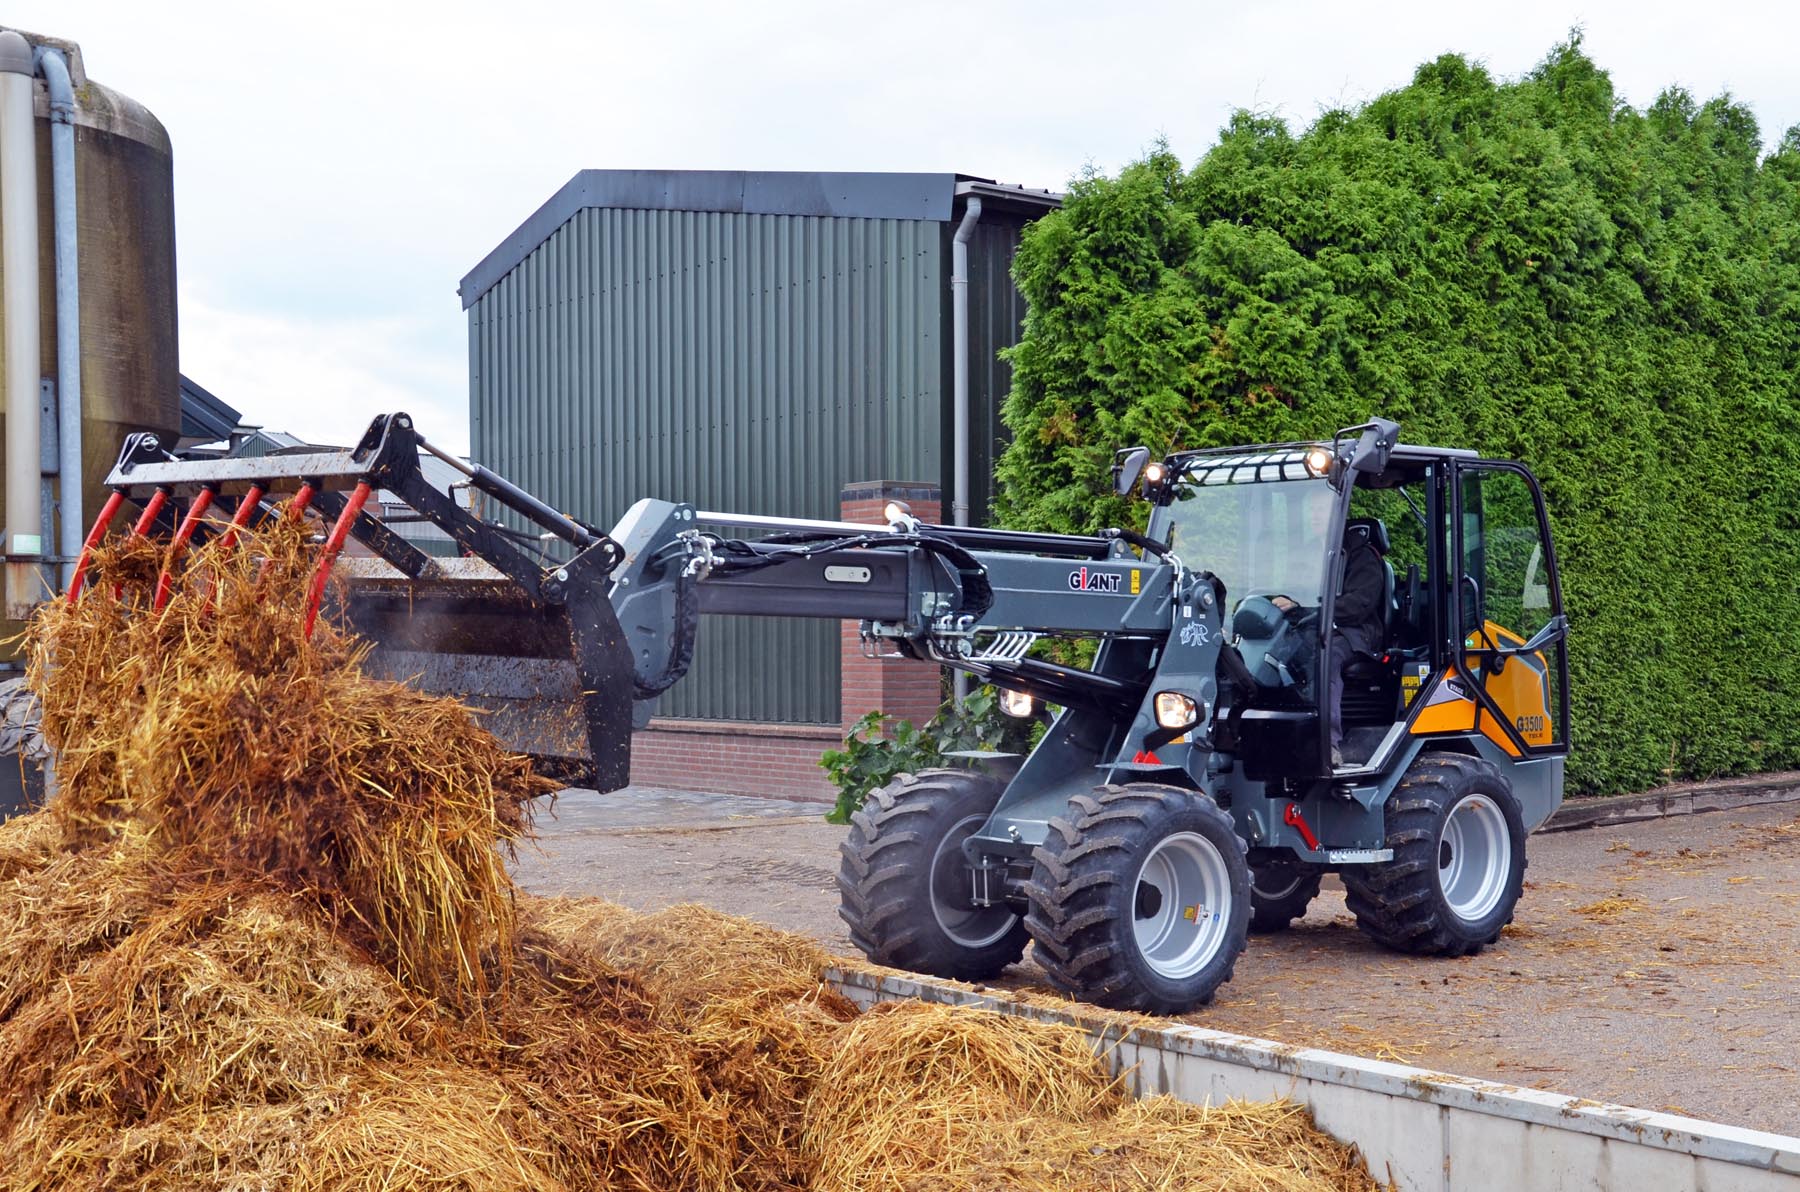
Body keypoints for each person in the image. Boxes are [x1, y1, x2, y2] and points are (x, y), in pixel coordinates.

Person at [1271, 516, 1387, 768]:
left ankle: (1327, 743)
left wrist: (1308, 608)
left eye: (1322, 509)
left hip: (1355, 631)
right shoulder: (1313, 554)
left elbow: (1359, 604)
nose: (1315, 516)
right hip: (1314, 626)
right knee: (1271, 654)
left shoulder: (1362, 555)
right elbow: (1297, 593)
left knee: (1326, 657)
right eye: (1312, 509)